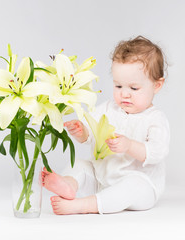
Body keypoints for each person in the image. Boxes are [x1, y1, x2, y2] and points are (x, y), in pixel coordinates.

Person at [42, 36, 170, 215]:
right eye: (118, 86)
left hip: (142, 186)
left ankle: (85, 205)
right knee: (81, 164)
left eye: (134, 88)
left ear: (157, 85)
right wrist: (82, 131)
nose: (125, 94)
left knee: (134, 186)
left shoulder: (155, 119)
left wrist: (129, 146)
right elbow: (91, 131)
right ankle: (69, 184)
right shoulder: (109, 109)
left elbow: (157, 152)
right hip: (103, 180)